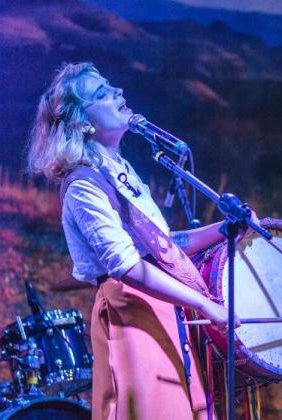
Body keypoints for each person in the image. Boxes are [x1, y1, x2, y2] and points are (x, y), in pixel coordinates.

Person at [27, 62, 246, 419]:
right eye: (102, 93)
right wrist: (204, 305)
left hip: (161, 306)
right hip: (131, 313)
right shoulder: (84, 185)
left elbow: (162, 247)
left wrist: (223, 230)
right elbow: (126, 265)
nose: (118, 94)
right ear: (83, 122)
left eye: (112, 87)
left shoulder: (121, 171)